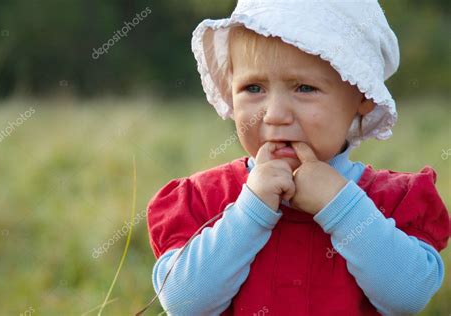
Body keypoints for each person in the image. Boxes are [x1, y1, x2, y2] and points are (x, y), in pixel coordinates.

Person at [145, 1, 450, 314]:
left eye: (305, 88)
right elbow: (183, 304)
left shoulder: (391, 200)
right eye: (253, 87)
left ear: (363, 96)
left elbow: (408, 297)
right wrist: (251, 210)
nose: (275, 115)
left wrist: (341, 206)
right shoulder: (208, 199)